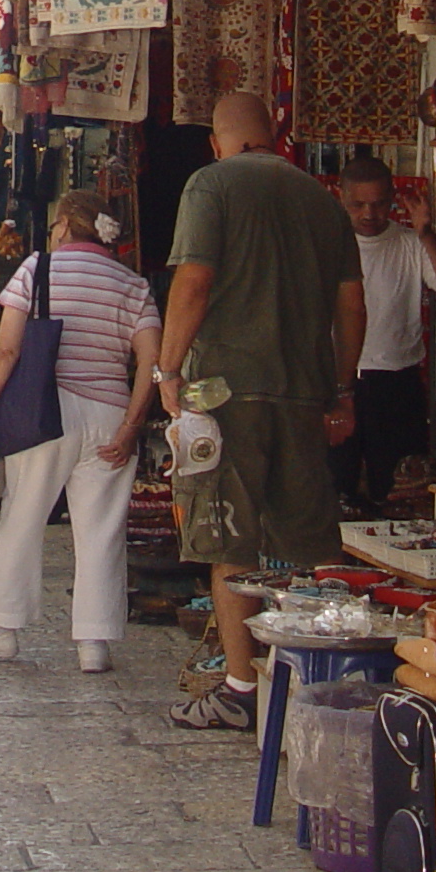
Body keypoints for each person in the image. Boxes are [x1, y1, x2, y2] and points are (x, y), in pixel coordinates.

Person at [155, 92, 366, 730]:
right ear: (272, 135)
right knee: (305, 545)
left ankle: (243, 689)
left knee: (231, 545)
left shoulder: (210, 185)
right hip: (303, 391)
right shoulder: (321, 200)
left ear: (219, 141)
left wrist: (169, 368)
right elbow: (352, 305)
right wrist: (343, 388)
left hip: (225, 393)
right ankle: (310, 686)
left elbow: (193, 281)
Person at [0, 189, 160, 673]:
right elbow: (150, 360)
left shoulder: (37, 269)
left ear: (64, 224)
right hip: (109, 415)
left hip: (45, 409)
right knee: (101, 530)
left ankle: (0, 629)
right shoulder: (134, 284)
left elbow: (7, 350)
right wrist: (132, 425)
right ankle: (94, 644)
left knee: (22, 518)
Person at [332, 156, 436, 514]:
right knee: (332, 492)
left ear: (393, 199)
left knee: (399, 497)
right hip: (334, 382)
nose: (369, 213)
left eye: (379, 204)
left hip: (395, 385)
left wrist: (427, 233)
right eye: (358, 204)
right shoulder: (322, 245)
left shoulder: (411, 244)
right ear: (340, 197)